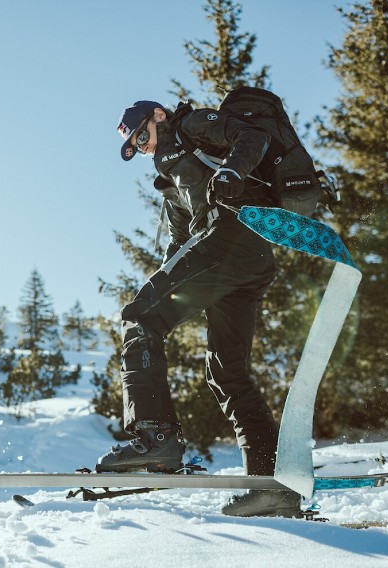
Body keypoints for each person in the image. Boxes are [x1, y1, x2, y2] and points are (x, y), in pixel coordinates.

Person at [96, 98, 301, 518]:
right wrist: (163, 278)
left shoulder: (190, 125)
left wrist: (231, 170)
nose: (143, 146)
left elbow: (253, 136)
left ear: (157, 117)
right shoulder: (170, 178)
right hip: (244, 263)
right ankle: (272, 485)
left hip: (234, 237)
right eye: (136, 146)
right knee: (226, 371)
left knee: (139, 318)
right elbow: (179, 243)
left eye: (141, 135)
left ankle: (155, 440)